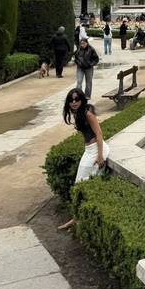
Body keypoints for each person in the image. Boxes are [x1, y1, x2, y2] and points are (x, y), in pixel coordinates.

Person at [58, 89, 109, 229]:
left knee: (82, 185)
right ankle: (76, 218)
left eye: (77, 99)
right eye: (71, 100)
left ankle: (79, 219)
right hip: (89, 151)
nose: (74, 103)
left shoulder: (87, 113)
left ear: (82, 100)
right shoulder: (78, 112)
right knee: (78, 185)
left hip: (96, 150)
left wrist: (99, 155)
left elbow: (99, 133)